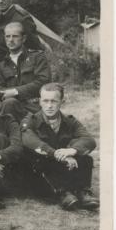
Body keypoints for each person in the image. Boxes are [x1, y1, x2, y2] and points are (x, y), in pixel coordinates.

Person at [21, 83, 99, 211]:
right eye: (45, 101)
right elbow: (30, 141)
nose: (49, 105)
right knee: (43, 162)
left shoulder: (69, 120)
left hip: (61, 166)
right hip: (41, 169)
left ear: (62, 102)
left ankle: (83, 192)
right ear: (40, 101)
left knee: (86, 159)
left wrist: (72, 151)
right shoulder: (31, 120)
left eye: (54, 101)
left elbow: (89, 140)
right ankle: (62, 193)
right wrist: (58, 154)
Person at [0, 22, 51, 121]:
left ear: (23, 38)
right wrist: (6, 93)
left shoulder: (37, 57)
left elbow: (43, 82)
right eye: (7, 36)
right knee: (8, 104)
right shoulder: (2, 64)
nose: (10, 40)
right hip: (11, 107)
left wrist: (15, 91)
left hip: (34, 106)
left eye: (15, 36)